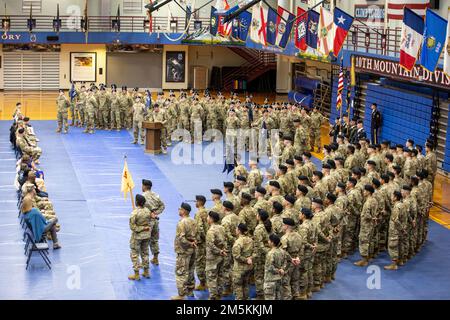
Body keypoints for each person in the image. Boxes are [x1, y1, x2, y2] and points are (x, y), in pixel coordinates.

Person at [171, 202, 197, 300]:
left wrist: (189, 243)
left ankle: (181, 295)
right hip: (192, 250)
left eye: (180, 209)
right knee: (190, 270)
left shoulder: (182, 222)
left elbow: (181, 239)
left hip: (183, 251)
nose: (179, 210)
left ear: (183, 211)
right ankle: (190, 291)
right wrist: (192, 243)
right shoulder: (193, 221)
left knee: (181, 272)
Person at [128, 194, 151, 281]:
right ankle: (146, 272)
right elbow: (150, 223)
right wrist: (146, 228)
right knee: (145, 253)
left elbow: (133, 227)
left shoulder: (134, 213)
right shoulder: (148, 211)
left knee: (134, 254)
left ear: (137, 202)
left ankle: (136, 274)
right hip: (146, 235)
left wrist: (142, 228)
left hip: (137, 236)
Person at [142, 179, 165, 265]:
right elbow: (162, 205)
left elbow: (141, 210)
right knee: (154, 240)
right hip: (155, 220)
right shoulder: (156, 195)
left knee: (144, 241)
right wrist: (156, 213)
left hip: (147, 222)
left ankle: (145, 262)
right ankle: (155, 258)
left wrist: (149, 214)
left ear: (144, 186)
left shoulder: (143, 196)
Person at [205, 211, 227, 300]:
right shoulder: (222, 228)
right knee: (220, 276)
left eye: (208, 217)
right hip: (221, 257)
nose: (207, 219)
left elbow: (211, 245)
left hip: (213, 258)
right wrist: (222, 250)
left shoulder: (211, 231)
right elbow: (225, 240)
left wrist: (219, 251)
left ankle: (213, 297)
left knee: (211, 277)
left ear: (211, 219)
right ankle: (219, 295)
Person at [252, 209, 272, 300]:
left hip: (260, 255)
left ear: (259, 217)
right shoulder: (267, 225)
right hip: (266, 253)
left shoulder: (259, 228)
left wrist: (269, 252)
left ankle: (261, 296)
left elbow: (260, 245)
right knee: (265, 274)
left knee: (259, 276)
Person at [232, 223, 254, 300]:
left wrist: (246, 259)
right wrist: (250, 258)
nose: (235, 230)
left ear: (239, 230)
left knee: (238, 287)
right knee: (245, 285)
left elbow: (236, 256)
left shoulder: (238, 242)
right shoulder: (250, 240)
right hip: (248, 267)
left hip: (239, 268)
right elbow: (255, 252)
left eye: (236, 229)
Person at [264, 234, 286, 300]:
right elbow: (285, 262)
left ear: (272, 243)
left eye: (269, 240)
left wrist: (278, 270)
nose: (268, 242)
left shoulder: (270, 253)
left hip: (270, 280)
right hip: (279, 278)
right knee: (278, 297)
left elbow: (270, 267)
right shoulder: (282, 252)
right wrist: (282, 269)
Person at [193, 195, 208, 291]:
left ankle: (203, 283)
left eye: (196, 201)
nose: (195, 202)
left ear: (199, 202)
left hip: (201, 242)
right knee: (204, 261)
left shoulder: (199, 213)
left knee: (199, 262)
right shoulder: (206, 211)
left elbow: (200, 228)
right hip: (206, 241)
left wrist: (202, 239)